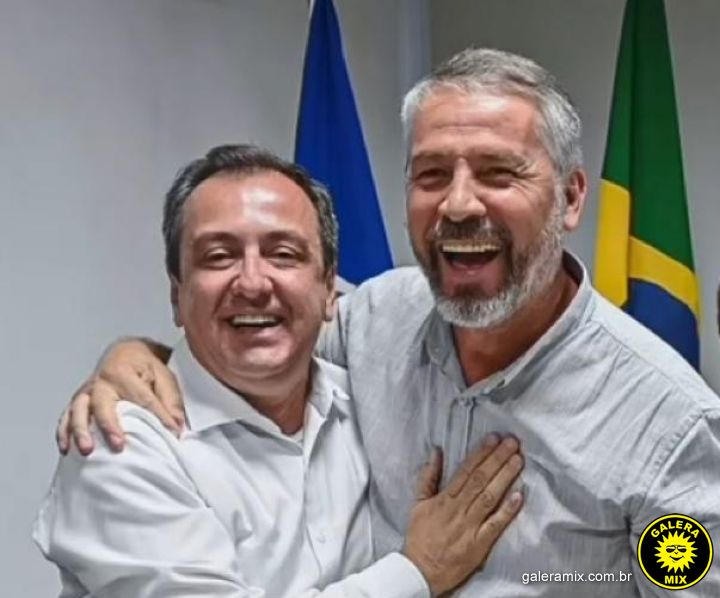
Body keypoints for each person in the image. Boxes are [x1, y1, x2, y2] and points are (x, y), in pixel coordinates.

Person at [59, 49, 720, 596]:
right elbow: (260, 326)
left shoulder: (670, 425)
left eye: (498, 173)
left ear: (571, 198)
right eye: (431, 174)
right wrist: (134, 356)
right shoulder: (378, 318)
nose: (458, 203)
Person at [36, 144, 525, 598]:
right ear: (176, 295)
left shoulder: (373, 402)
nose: (252, 283)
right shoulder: (120, 445)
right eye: (219, 256)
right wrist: (417, 571)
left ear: (329, 290)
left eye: (283, 254)